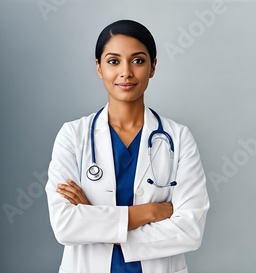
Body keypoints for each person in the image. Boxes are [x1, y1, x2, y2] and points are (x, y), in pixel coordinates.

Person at [45, 19, 210, 273]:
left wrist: (97, 219)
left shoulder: (178, 138)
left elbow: (190, 229)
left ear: (153, 67)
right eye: (113, 61)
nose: (126, 72)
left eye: (138, 60)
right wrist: (149, 212)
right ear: (99, 67)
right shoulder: (73, 136)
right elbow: (65, 225)